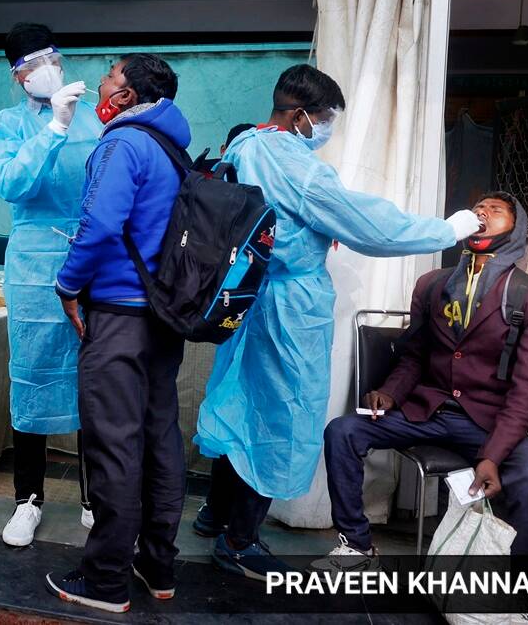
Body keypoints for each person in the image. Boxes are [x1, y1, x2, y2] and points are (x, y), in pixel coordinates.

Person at [192, 64, 483, 580]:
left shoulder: (244, 145)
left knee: (239, 408)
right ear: (302, 115)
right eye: (325, 119)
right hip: (288, 306)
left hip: (249, 295)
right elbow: (366, 222)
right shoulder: (292, 163)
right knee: (283, 419)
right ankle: (239, 541)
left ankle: (214, 515)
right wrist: (445, 229)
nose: (325, 129)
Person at [319, 192, 528, 565]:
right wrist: (390, 392)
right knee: (342, 431)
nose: (482, 212)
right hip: (427, 410)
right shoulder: (432, 284)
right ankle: (356, 545)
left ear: (517, 230)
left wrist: (493, 455)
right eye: (478, 207)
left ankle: (516, 584)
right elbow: (415, 356)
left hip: (487, 422)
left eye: (496, 211)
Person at [48, 53, 191, 613]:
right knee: (160, 438)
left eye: (110, 77)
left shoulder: (122, 143)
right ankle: (157, 565)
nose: (103, 83)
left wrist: (67, 284)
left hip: (119, 316)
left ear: (127, 94)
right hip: (161, 317)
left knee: (113, 444)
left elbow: (101, 224)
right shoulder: (171, 147)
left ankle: (105, 580)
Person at [0, 22, 103, 546]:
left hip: (93, 258)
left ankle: (94, 496)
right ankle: (27, 499)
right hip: (34, 266)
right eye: (32, 66)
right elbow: (11, 183)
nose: (46, 71)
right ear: (18, 76)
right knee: (31, 377)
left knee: (94, 379)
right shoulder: (10, 123)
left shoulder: (98, 120)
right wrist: (52, 130)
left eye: (51, 58)